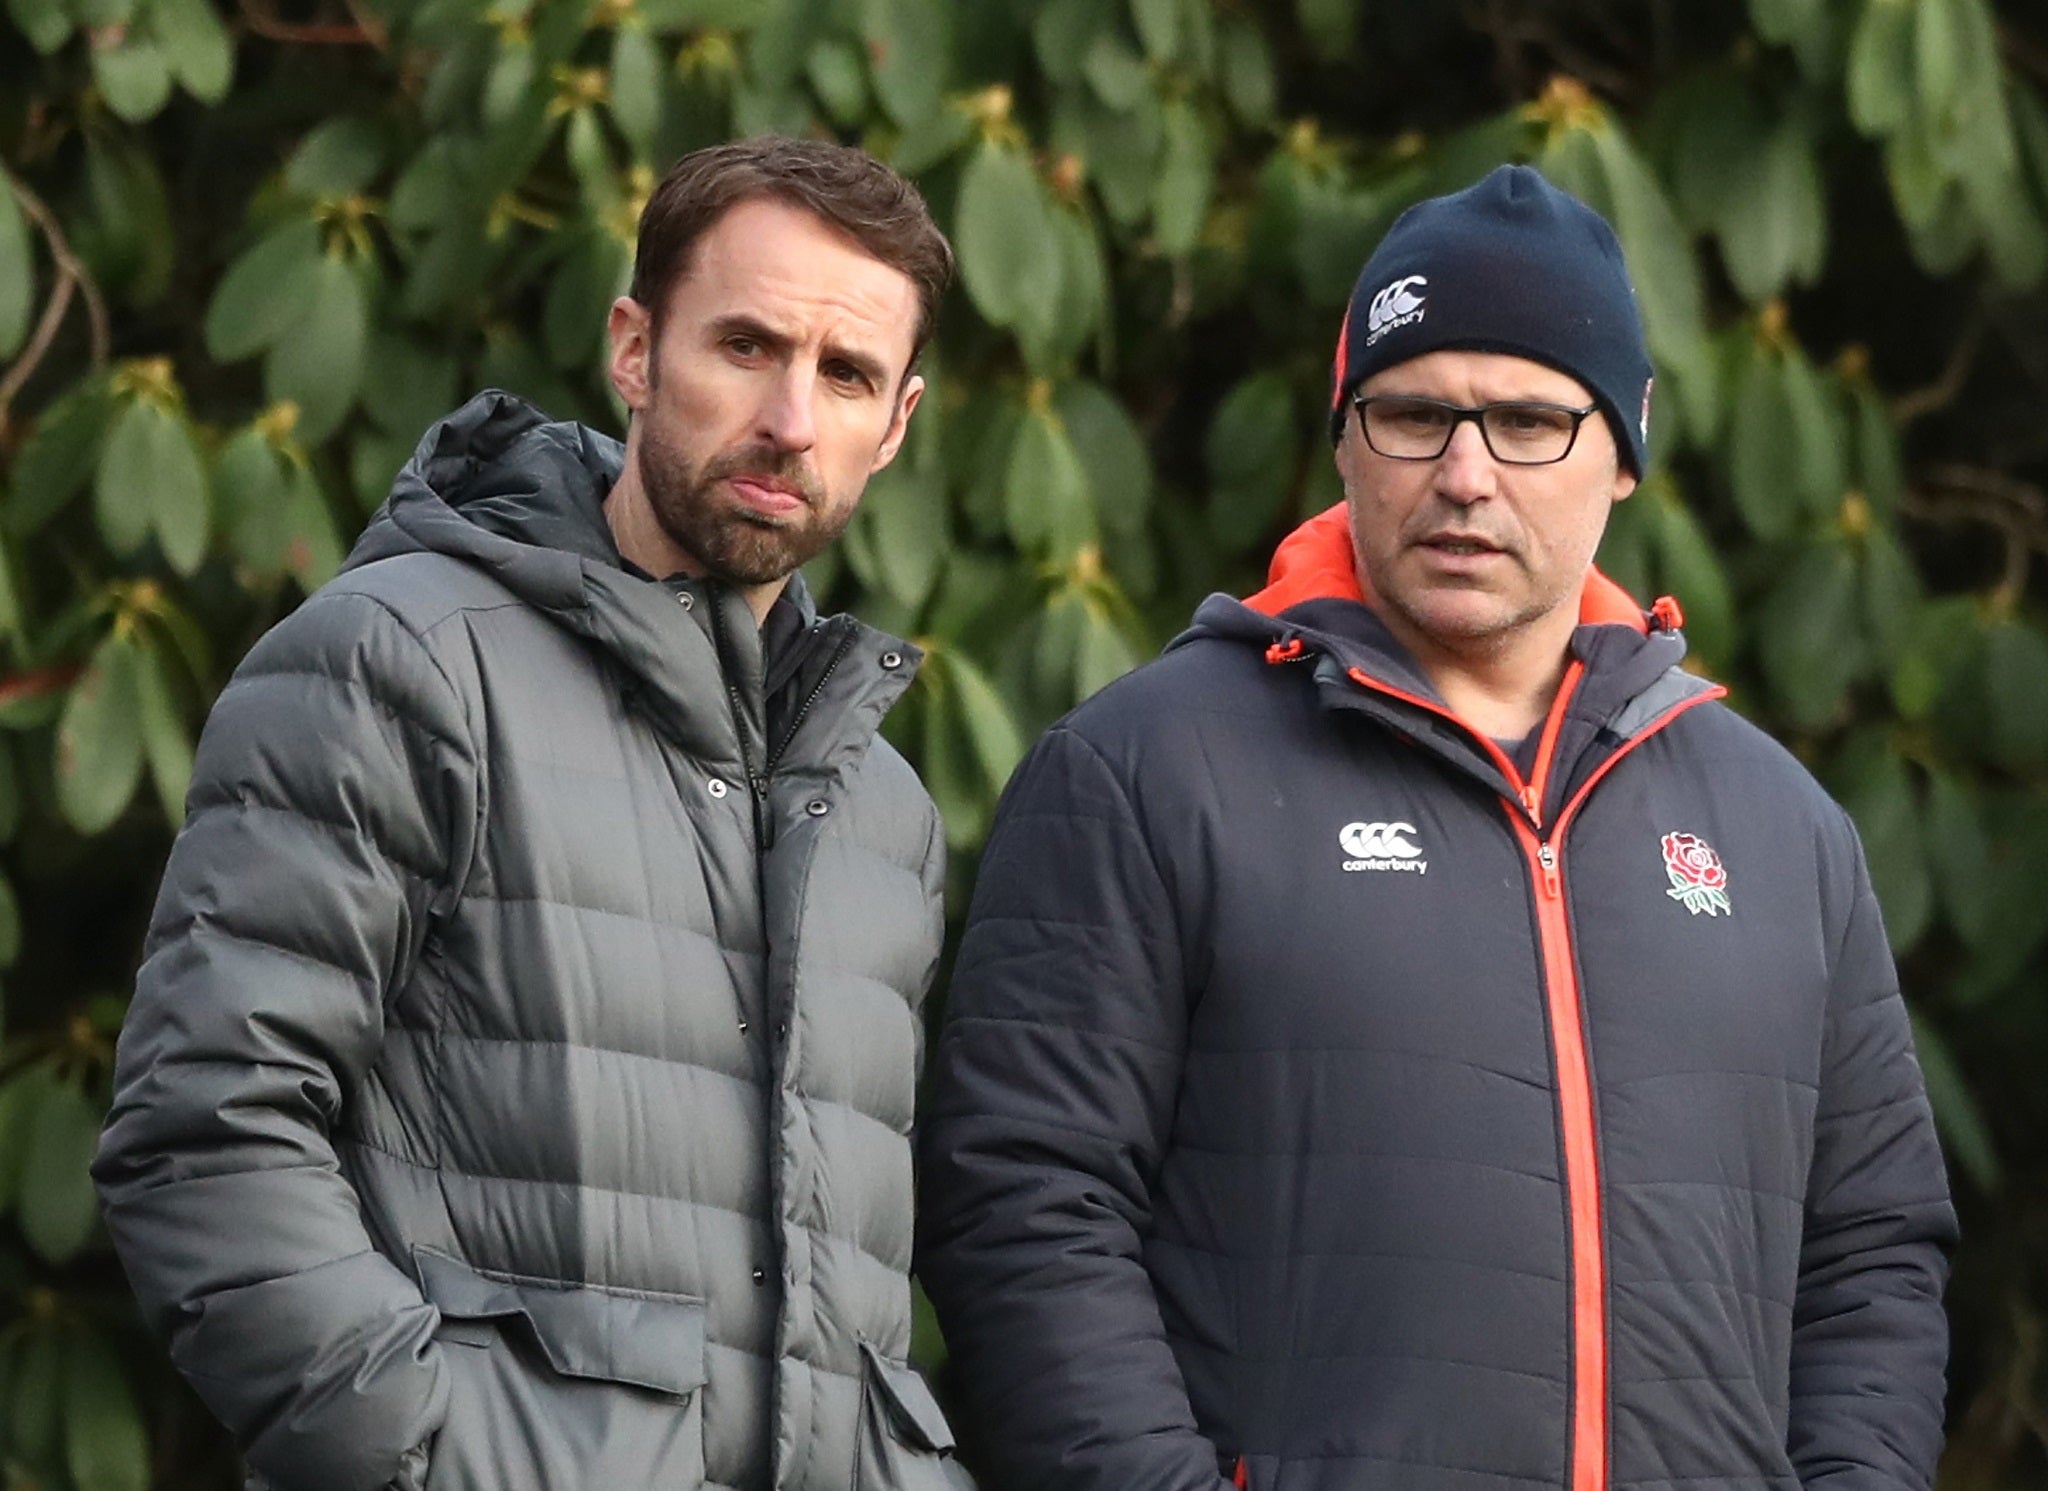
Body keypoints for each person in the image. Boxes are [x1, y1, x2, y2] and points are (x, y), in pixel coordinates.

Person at [916, 164, 1954, 1491]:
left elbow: (1873, 1250)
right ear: (1344, 435)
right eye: (1412, 416)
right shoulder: (1145, 769)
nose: (1465, 474)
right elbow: (1025, 1202)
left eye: (1528, 421)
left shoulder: (1779, 828)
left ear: (1624, 447)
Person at [95, 135, 970, 1491]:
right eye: (744, 347)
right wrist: (432, 1462)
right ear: (633, 349)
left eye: (844, 374)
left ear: (896, 424)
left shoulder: (882, 813)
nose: (792, 419)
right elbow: (206, 1127)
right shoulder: (399, 666)